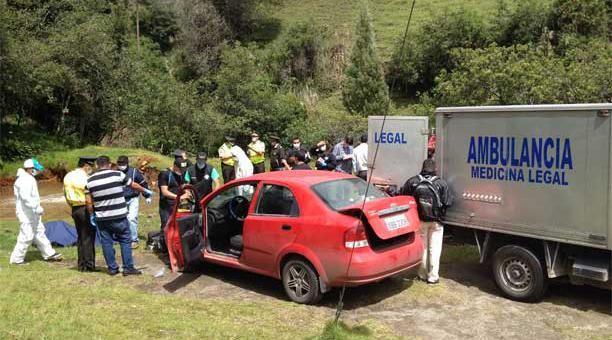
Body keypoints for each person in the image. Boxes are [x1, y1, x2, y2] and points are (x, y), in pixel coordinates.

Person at [86, 156, 153, 276]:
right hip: (119, 216)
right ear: (110, 164)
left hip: (102, 217)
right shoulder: (117, 175)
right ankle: (128, 267)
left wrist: (92, 215)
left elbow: (88, 201)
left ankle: (112, 268)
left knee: (106, 242)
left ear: (97, 165)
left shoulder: (89, 180)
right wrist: (145, 191)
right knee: (125, 240)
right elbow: (133, 185)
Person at [400, 159, 452, 284]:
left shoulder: (412, 182)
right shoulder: (441, 183)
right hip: (437, 222)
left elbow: (403, 198)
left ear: (422, 167)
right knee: (435, 248)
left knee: (423, 247)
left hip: (419, 220)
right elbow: (448, 202)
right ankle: (433, 277)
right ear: (435, 169)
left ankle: (422, 274)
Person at [10, 159, 63, 265]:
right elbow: (26, 198)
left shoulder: (29, 178)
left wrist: (36, 208)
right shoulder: (23, 180)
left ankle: (49, 254)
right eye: (36, 168)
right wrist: (36, 207)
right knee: (27, 235)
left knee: (39, 232)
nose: (38, 170)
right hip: (26, 213)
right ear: (30, 168)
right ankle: (16, 259)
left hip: (33, 212)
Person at [63, 156, 97, 271]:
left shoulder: (68, 176)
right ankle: (89, 265)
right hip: (85, 207)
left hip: (75, 208)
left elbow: (65, 194)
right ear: (86, 165)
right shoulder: (85, 178)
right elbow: (89, 196)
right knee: (88, 237)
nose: (92, 168)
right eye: (91, 166)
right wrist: (92, 212)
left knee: (80, 237)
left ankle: (81, 264)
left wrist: (72, 206)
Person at [117, 155, 150, 249]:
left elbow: (143, 183)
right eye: (119, 164)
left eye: (123, 164)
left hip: (133, 198)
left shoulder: (134, 172)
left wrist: (147, 195)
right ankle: (123, 237)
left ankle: (134, 240)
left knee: (131, 218)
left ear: (127, 163)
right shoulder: (116, 172)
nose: (121, 166)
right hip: (120, 199)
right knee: (122, 219)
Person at [158, 159, 192, 232]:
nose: (182, 171)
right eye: (180, 169)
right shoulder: (165, 174)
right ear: (175, 166)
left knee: (178, 225)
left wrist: (187, 192)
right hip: (166, 205)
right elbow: (164, 192)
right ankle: (163, 241)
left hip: (178, 204)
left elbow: (183, 185)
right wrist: (179, 197)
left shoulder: (182, 173)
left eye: (183, 169)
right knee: (166, 225)